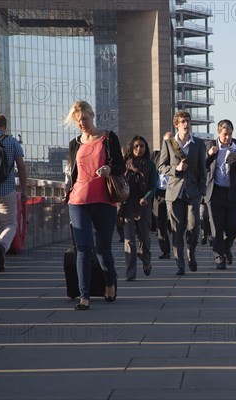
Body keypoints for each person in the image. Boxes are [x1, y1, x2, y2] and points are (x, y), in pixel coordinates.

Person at [64, 101, 125, 310]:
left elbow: (121, 166)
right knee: (83, 248)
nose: (82, 123)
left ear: (92, 115)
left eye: (85, 118)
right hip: (78, 201)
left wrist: (109, 168)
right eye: (78, 120)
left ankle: (109, 282)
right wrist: (67, 191)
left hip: (104, 201)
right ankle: (84, 296)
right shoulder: (75, 143)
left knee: (103, 250)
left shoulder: (109, 138)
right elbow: (72, 172)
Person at [158, 111, 206, 276]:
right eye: (182, 121)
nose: (186, 124)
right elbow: (161, 166)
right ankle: (180, 264)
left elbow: (202, 169)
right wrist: (175, 169)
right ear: (176, 124)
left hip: (193, 192)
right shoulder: (169, 144)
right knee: (177, 229)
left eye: (187, 121)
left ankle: (191, 253)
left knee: (194, 227)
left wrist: (202, 190)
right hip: (174, 192)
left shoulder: (198, 143)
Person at [205, 119, 236, 270]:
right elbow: (202, 166)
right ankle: (219, 257)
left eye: (230, 134)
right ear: (219, 133)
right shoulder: (210, 145)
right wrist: (210, 155)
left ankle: (226, 246)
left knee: (233, 227)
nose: (228, 137)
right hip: (216, 192)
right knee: (217, 228)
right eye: (225, 134)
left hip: (233, 193)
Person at [0, 114, 28, 272]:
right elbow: (22, 168)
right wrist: (24, 190)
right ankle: (2, 246)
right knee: (10, 224)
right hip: (6, 190)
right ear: (5, 126)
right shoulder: (12, 142)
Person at [120, 136, 158, 280]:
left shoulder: (150, 165)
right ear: (132, 147)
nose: (139, 149)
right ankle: (130, 273)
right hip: (127, 204)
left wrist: (146, 198)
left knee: (144, 237)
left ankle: (146, 260)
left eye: (142, 146)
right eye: (136, 146)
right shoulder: (125, 164)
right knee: (129, 239)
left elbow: (153, 186)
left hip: (144, 204)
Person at [152, 131, 173, 259]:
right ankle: (165, 250)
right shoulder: (155, 155)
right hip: (159, 193)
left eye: (171, 141)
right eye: (166, 141)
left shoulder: (179, 156)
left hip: (173, 192)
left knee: (175, 223)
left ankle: (177, 247)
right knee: (160, 223)